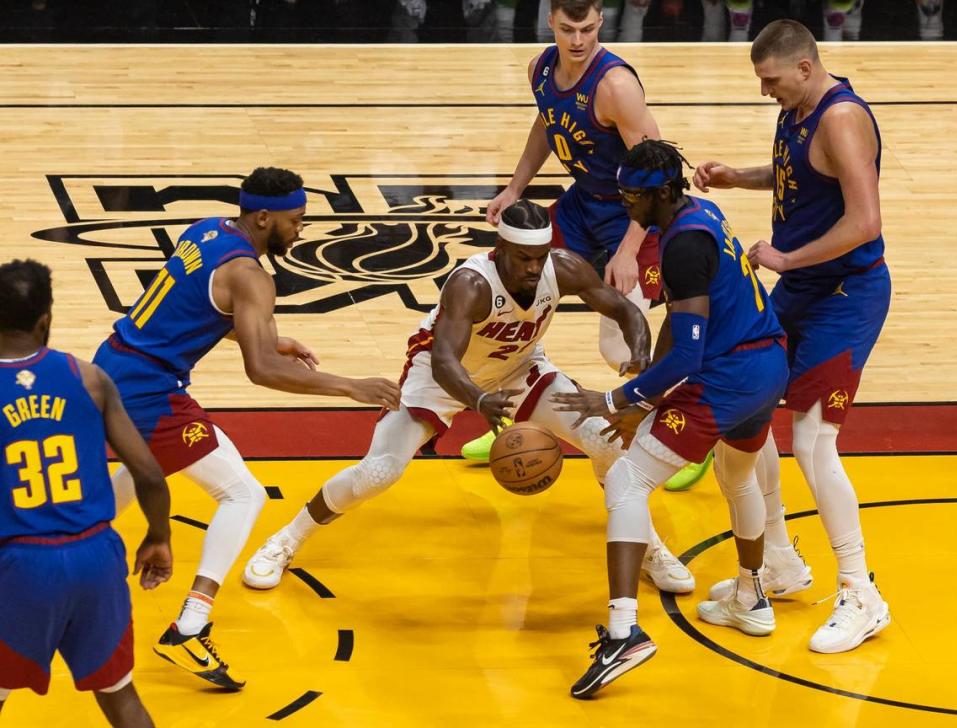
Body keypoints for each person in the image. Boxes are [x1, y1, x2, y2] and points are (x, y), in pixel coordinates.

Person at [243, 199, 694, 596]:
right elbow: (444, 361)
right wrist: (478, 402)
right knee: (379, 472)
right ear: (500, 249)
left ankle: (648, 548)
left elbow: (628, 310)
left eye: (540, 257)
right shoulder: (471, 285)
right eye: (523, 259)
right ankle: (286, 539)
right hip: (440, 376)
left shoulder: (564, 267)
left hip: (518, 368)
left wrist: (638, 357)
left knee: (609, 443)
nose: (534, 269)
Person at [91, 167, 401, 688]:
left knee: (145, 470)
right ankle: (191, 626)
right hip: (149, 391)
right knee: (242, 495)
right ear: (264, 218)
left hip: (114, 363)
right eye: (295, 221)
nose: (300, 231)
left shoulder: (206, 229)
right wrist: (350, 386)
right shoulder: (252, 277)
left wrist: (268, 337)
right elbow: (261, 372)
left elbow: (190, 304)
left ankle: (32, 548)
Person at [554, 140, 789, 698]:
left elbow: (689, 356)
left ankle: (623, 632)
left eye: (632, 197)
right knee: (737, 478)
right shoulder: (700, 214)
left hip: (727, 378)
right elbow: (682, 321)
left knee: (626, 479)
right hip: (765, 365)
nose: (624, 206)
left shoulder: (682, 246)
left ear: (662, 192)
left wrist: (618, 401)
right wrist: (645, 391)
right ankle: (751, 597)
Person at [693, 19, 892, 654]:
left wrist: (785, 259)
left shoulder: (841, 117)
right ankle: (776, 560)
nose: (765, 92)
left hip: (846, 296)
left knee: (811, 439)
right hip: (805, 288)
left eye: (771, 80)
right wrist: (737, 178)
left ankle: (861, 593)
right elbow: (799, 177)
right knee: (741, 416)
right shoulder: (799, 108)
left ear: (804, 68)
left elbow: (865, 222)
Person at [466, 0, 713, 491]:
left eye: (585, 28)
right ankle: (518, 407)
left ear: (600, 20)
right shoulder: (540, 68)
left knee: (617, 342)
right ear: (551, 23)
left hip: (636, 214)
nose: (577, 40)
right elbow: (546, 124)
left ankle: (687, 434)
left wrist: (627, 248)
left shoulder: (615, 85)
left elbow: (663, 171)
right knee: (512, 283)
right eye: (566, 29)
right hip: (584, 206)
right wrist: (515, 188)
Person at [0, 260, 173, 727]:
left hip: (20, 565)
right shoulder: (88, 377)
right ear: (45, 320)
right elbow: (151, 476)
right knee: (121, 698)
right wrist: (159, 536)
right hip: (96, 558)